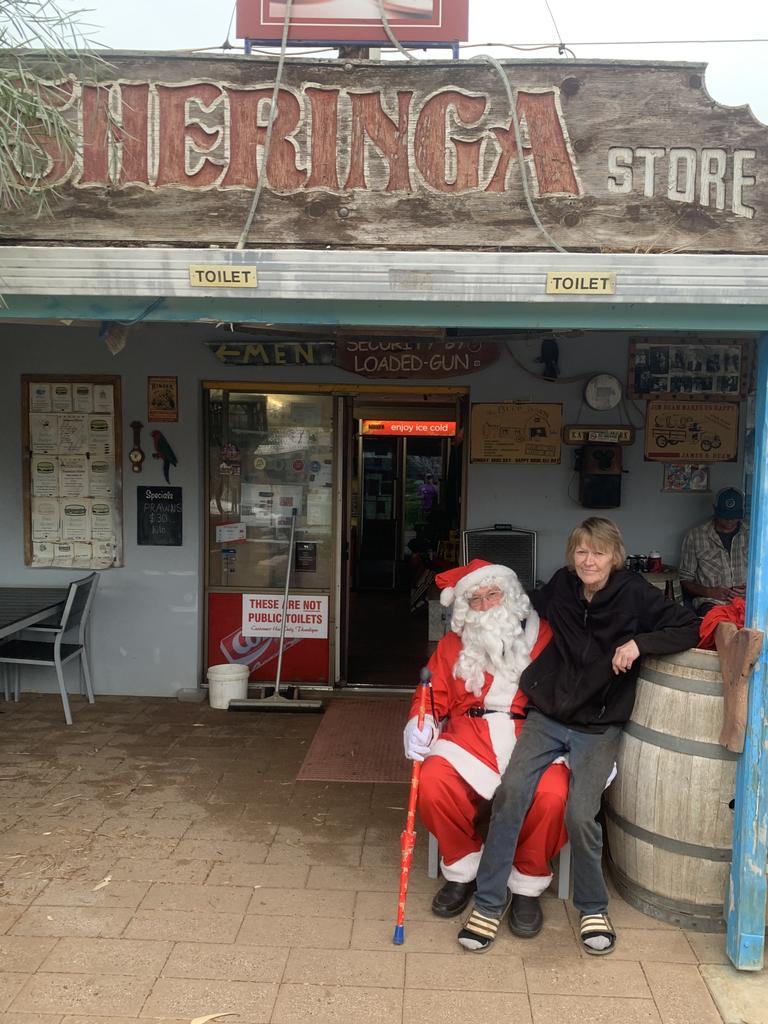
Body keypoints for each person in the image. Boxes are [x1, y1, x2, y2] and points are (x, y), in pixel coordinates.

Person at [457, 519, 699, 955]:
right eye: (582, 552)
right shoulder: (563, 587)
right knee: (510, 794)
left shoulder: (635, 593)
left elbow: (688, 625)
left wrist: (639, 644)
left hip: (599, 723)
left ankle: (592, 906)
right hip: (547, 713)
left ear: (615, 556)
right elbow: (518, 603)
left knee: (580, 813)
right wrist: (475, 604)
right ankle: (489, 902)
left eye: (599, 553)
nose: (589, 561)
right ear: (573, 555)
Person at [403, 559, 569, 938]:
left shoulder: (545, 637)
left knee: (553, 793)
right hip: (468, 732)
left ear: (509, 596)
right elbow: (431, 696)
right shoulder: (451, 645)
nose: (485, 605)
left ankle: (526, 882)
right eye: (475, 600)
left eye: (492, 594)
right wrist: (421, 722)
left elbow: (569, 693)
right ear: (465, 607)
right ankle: (464, 867)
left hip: (532, 734)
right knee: (433, 782)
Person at [679, 487, 749, 615]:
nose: (729, 520)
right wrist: (709, 592)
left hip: (748, 602)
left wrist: (752, 589)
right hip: (712, 603)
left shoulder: (753, 534)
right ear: (715, 510)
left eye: (734, 516)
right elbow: (685, 580)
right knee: (724, 627)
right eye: (725, 516)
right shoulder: (696, 536)